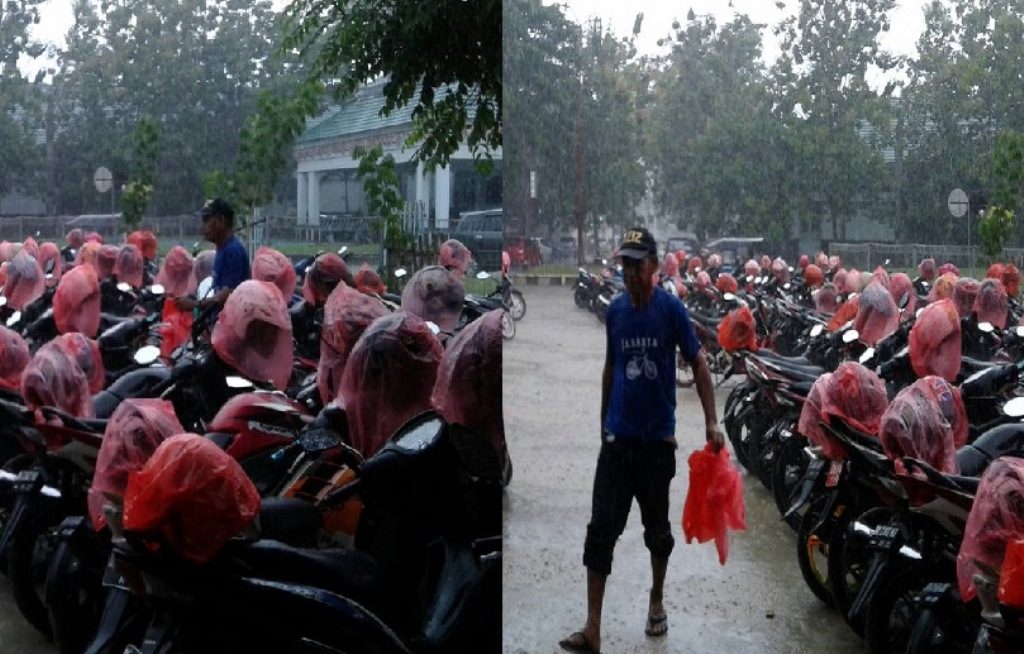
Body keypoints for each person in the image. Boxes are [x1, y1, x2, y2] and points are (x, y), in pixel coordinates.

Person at [559, 227, 724, 654]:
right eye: (625, 265)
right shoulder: (615, 312)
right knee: (600, 531)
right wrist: (602, 424)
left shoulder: (671, 311)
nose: (630, 272)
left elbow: (699, 365)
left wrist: (711, 421)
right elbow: (611, 367)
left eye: (637, 264)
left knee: (657, 532)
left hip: (656, 444)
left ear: (654, 265)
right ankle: (592, 628)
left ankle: (656, 599)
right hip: (617, 442)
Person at [175, 198, 249, 312]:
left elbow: (227, 295)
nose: (203, 226)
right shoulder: (222, 249)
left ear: (221, 220)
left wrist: (194, 304)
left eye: (206, 220)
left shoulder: (232, 251)